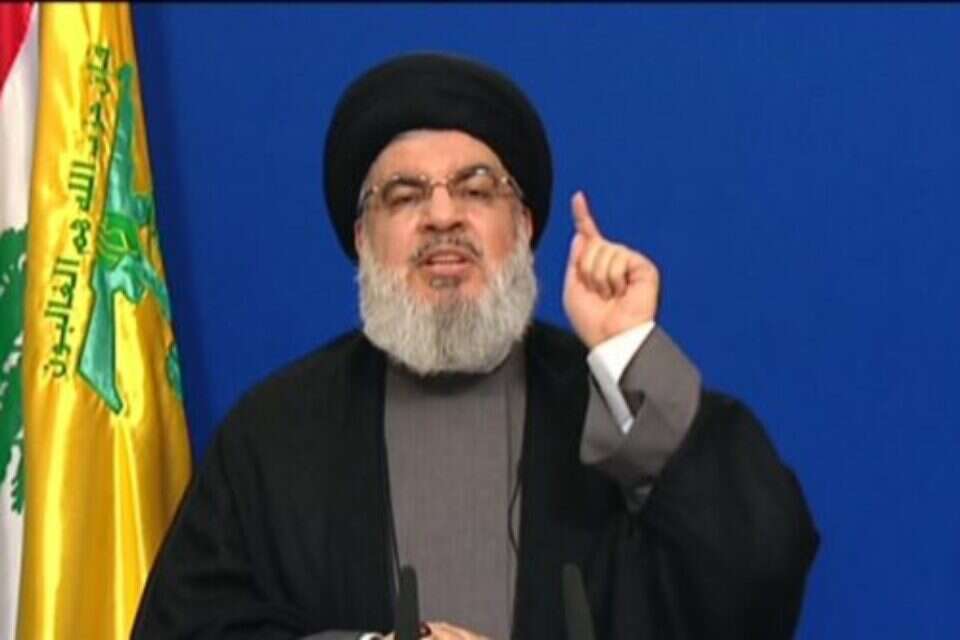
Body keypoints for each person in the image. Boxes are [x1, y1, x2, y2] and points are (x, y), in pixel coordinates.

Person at [133, 52, 819, 640]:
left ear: (523, 227)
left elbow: (758, 571)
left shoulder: (605, 399)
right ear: (364, 239)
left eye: (477, 188)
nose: (442, 215)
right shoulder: (276, 432)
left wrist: (627, 355)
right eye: (405, 195)